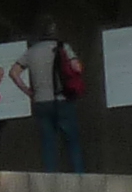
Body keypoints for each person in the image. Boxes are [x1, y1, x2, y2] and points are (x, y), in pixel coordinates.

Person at [18, 23, 87, 172]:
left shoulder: (31, 51)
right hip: (62, 100)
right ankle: (79, 176)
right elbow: (77, 68)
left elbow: (13, 72)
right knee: (72, 141)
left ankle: (50, 177)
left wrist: (28, 91)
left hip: (41, 101)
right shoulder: (63, 47)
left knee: (48, 142)